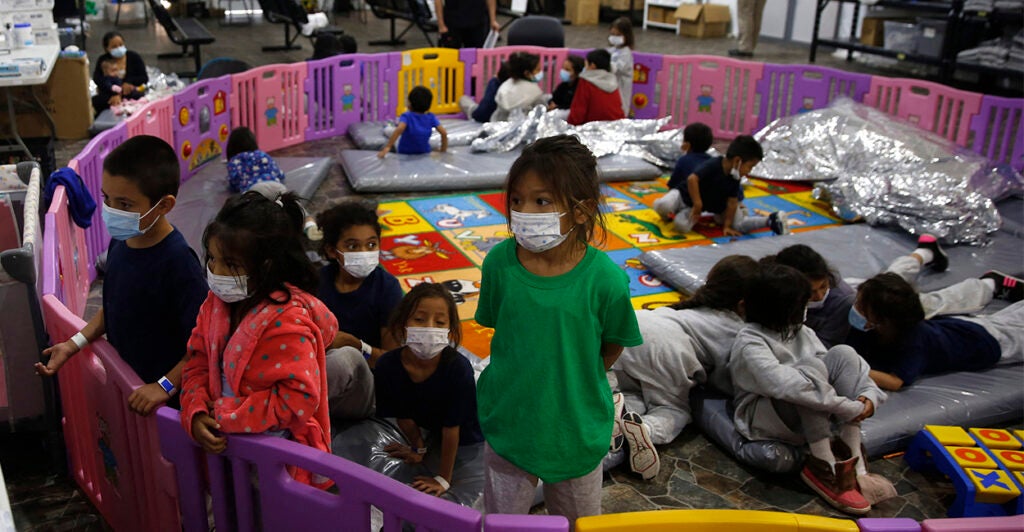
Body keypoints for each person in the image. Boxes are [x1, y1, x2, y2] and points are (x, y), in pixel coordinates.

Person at [475, 135, 642, 523]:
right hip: (510, 425)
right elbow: (505, 329)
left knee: (579, 524)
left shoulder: (605, 281)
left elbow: (612, 345)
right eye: (516, 200)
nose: (523, 211)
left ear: (582, 211)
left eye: (542, 201)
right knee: (503, 523)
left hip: (575, 430)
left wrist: (573, 374)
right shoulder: (499, 263)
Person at [36, 136, 207, 417]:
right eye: (107, 198)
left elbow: (202, 343)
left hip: (165, 407)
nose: (112, 211)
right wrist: (73, 344)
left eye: (125, 204)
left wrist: (164, 386)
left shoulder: (178, 263)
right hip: (131, 389)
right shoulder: (122, 240)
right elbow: (114, 307)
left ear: (164, 206)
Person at [179, 192, 339, 488]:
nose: (216, 272)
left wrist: (229, 415)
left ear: (265, 266)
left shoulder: (288, 322)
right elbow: (197, 362)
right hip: (226, 447)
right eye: (213, 259)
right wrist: (196, 411)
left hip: (276, 459)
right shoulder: (214, 305)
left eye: (231, 264)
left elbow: (298, 400)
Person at [728, 263, 891, 515]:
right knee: (808, 372)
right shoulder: (750, 341)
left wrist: (868, 397)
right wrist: (848, 407)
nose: (808, 307)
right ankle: (823, 465)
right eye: (802, 303)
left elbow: (842, 368)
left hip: (815, 410)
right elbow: (788, 386)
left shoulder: (801, 331)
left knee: (843, 353)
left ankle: (856, 463)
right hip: (765, 417)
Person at [611, 255, 758, 480]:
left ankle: (614, 408)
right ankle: (647, 429)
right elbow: (727, 379)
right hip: (668, 350)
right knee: (674, 409)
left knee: (634, 388)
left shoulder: (690, 306)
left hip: (634, 324)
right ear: (743, 304)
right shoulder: (737, 329)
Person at [772, 237, 1020, 349]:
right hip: (864, 291)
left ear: (828, 279)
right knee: (892, 278)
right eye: (811, 292)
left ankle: (991, 284)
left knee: (930, 303)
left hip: (868, 300)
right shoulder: (782, 282)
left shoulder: (841, 303)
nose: (817, 296)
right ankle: (925, 252)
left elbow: (823, 346)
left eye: (822, 288)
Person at [374, 283, 483, 497]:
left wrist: (443, 478)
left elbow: (452, 429)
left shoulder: (458, 368)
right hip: (431, 427)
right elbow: (403, 416)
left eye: (439, 322)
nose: (428, 327)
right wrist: (417, 449)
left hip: (466, 431)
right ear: (403, 322)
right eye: (419, 319)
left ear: (450, 330)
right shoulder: (388, 365)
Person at [848, 273, 1024, 392]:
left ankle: (994, 284)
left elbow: (896, 381)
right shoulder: (870, 327)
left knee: (1010, 330)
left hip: (985, 343)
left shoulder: (913, 340)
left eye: (861, 306)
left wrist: (852, 369)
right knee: (1005, 321)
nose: (856, 308)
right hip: (959, 327)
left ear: (882, 320)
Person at [315, 200, 403, 420]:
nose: (364, 252)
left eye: (371, 245)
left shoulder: (387, 288)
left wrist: (356, 345)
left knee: (344, 359)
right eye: (353, 246)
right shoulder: (317, 283)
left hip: (368, 388)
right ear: (331, 250)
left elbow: (392, 363)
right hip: (316, 375)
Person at [661, 135, 788, 237]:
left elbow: (732, 202)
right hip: (687, 198)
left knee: (737, 225)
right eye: (750, 166)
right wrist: (697, 203)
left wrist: (727, 226)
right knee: (662, 205)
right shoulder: (714, 164)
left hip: (708, 206)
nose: (749, 171)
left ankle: (771, 221)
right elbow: (692, 179)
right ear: (737, 161)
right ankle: (673, 212)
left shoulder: (735, 177)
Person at [652, 122, 714, 218]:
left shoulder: (684, 160)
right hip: (704, 204)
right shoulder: (711, 161)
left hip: (685, 199)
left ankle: (681, 212)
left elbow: (673, 185)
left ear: (687, 144)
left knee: (662, 205)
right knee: (682, 223)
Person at [378, 86, 448, 157]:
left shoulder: (407, 116)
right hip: (424, 151)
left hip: (404, 151)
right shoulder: (431, 117)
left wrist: (387, 147)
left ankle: (387, 125)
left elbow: (399, 129)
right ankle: (392, 124)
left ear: (410, 104)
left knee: (389, 130)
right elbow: (444, 133)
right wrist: (443, 150)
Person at [92, 31, 148, 115]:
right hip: (110, 94)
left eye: (121, 45)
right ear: (107, 49)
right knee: (97, 101)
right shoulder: (103, 60)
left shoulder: (134, 57)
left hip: (130, 93)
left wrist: (128, 83)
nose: (119, 48)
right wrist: (114, 93)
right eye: (114, 46)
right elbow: (98, 79)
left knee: (138, 96)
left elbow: (144, 78)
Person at [566, 49, 625, 126]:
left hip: (593, 127)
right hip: (617, 126)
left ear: (592, 66)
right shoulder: (613, 80)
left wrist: (570, 127)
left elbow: (578, 111)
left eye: (586, 65)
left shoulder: (586, 81)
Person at [225, 127, 287, 193]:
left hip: (254, 190)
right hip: (277, 186)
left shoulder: (234, 161)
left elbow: (234, 182)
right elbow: (280, 174)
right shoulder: (263, 155)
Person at [491, 52, 548, 122]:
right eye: (538, 70)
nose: (540, 72)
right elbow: (542, 111)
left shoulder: (504, 85)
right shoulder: (535, 91)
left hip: (497, 124)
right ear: (527, 73)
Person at [434, 0, 500, 49]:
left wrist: (493, 20)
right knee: (451, 59)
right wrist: (441, 25)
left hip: (477, 22)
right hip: (453, 22)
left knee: (475, 58)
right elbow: (438, 1)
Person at [607, 17, 635, 117]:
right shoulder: (611, 50)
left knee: (620, 110)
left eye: (618, 35)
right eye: (612, 34)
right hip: (611, 88)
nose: (614, 37)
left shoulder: (626, 53)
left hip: (621, 90)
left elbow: (616, 68)